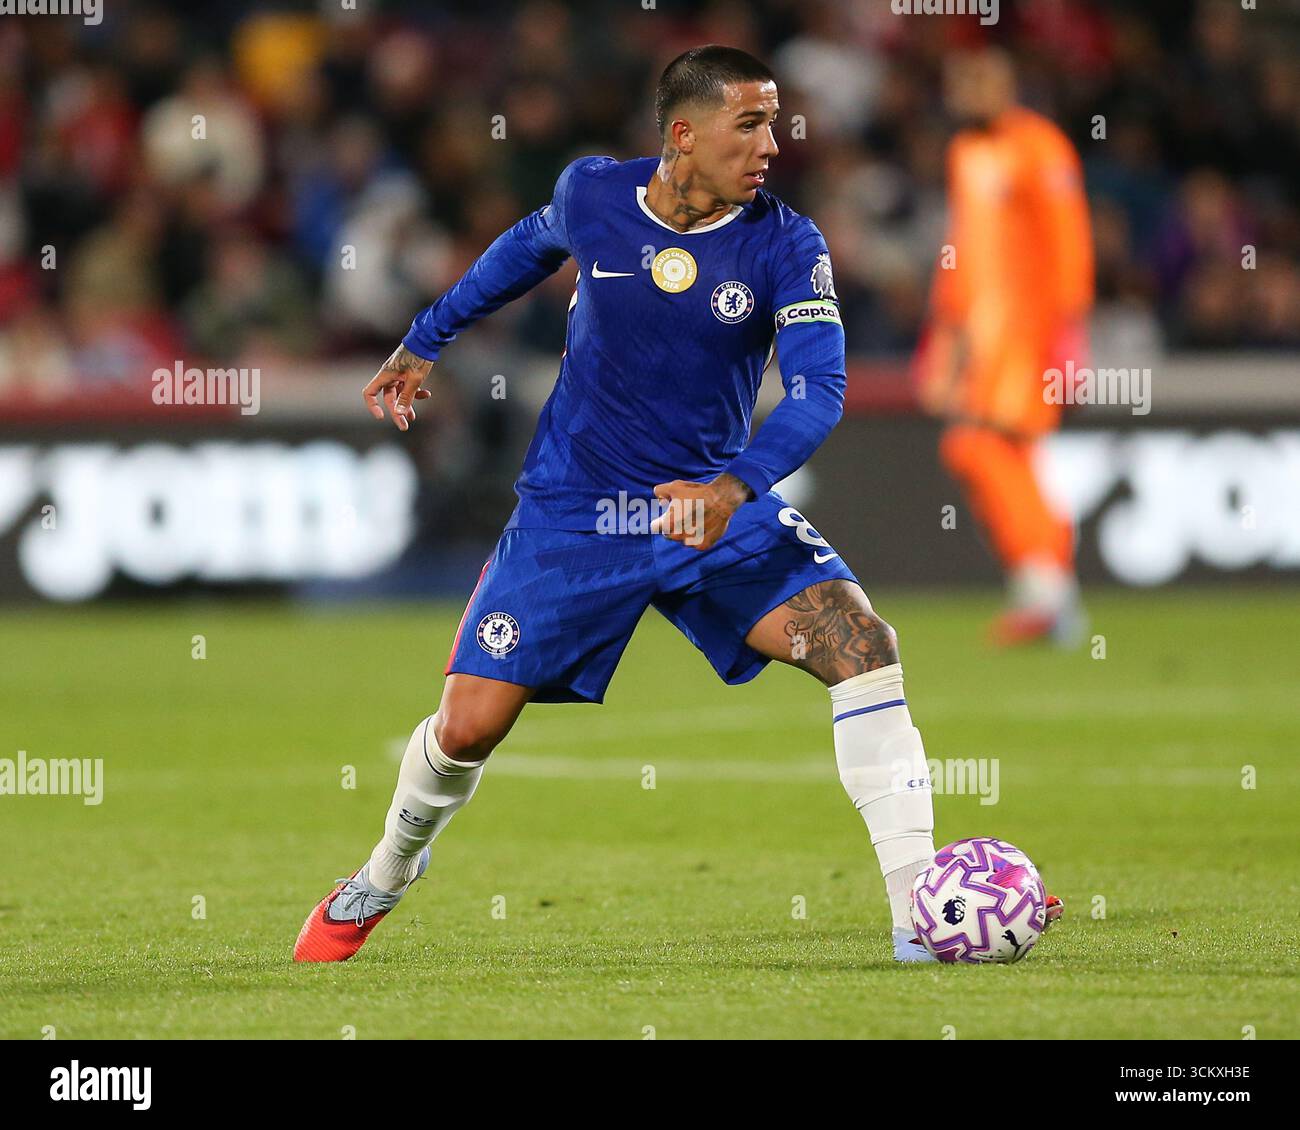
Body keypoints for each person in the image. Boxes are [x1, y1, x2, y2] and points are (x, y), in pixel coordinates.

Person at [294, 44, 1060, 966]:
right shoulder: (593, 196)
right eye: (751, 123)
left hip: (712, 506)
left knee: (862, 646)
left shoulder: (787, 243)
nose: (773, 143)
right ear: (684, 135)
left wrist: (734, 487)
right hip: (575, 510)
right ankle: (383, 874)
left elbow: (819, 393)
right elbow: (523, 249)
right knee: (467, 727)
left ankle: (916, 919)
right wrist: (426, 339)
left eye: (774, 121)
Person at [915, 47, 1094, 647]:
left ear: (1007, 84)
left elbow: (1069, 240)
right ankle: (1048, 588)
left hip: (1028, 335)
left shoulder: (1040, 146)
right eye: (960, 80)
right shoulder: (965, 152)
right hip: (981, 338)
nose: (968, 91)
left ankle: (1047, 587)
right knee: (991, 452)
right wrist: (941, 339)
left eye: (980, 78)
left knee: (980, 445)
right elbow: (958, 250)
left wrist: (1068, 333)